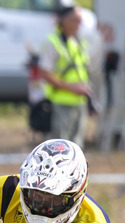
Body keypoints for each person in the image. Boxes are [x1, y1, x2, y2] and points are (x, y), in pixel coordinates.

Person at [40, 5, 93, 146]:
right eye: (76, 20)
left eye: (81, 20)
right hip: (61, 102)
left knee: (77, 146)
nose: (79, 24)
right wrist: (71, 88)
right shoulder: (53, 42)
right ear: (64, 20)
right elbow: (45, 73)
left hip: (80, 102)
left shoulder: (79, 42)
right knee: (60, 146)